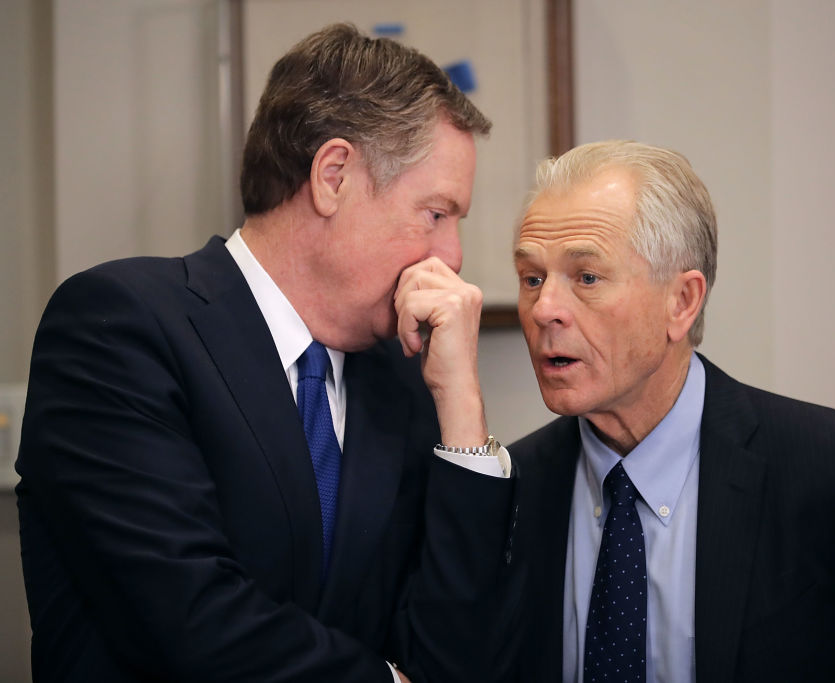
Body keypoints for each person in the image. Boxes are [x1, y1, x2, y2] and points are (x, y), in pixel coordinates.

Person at [17, 23, 516, 683]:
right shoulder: (119, 327)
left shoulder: (403, 378)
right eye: (436, 214)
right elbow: (193, 624)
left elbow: (458, 650)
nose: (452, 257)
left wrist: (461, 406)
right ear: (332, 176)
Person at [507, 140, 835, 682]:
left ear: (682, 302)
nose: (545, 308)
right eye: (532, 278)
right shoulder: (510, 491)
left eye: (587, 277)